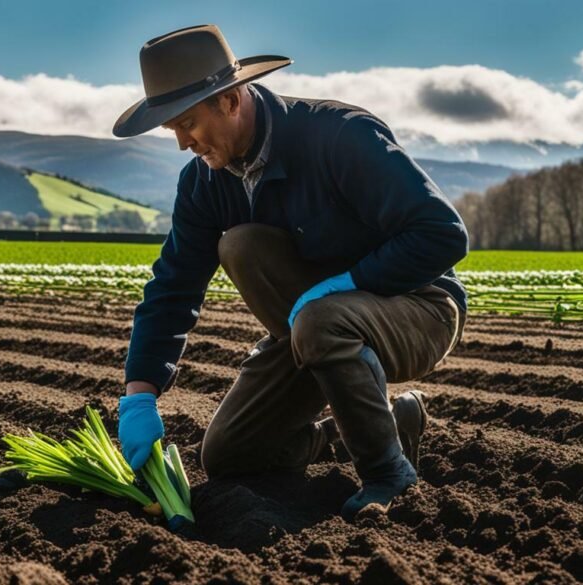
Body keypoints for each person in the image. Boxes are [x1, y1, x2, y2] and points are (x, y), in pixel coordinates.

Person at [113, 24, 468, 520]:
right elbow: (173, 286)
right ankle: (387, 422)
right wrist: (139, 394)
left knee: (323, 321)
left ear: (232, 100)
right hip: (313, 324)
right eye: (172, 129)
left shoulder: (339, 135)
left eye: (187, 124)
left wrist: (347, 284)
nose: (181, 143)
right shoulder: (204, 184)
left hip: (418, 304)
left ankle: (388, 472)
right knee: (230, 456)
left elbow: (443, 234)